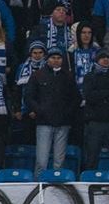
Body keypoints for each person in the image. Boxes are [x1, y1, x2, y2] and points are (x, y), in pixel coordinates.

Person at [26, 46, 79, 176]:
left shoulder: (68, 76)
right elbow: (29, 97)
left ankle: (57, 190)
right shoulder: (38, 75)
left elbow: (76, 98)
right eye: (53, 58)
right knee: (41, 162)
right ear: (47, 59)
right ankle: (38, 191)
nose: (56, 60)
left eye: (59, 58)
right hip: (44, 123)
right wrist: (40, 111)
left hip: (63, 123)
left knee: (59, 163)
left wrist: (67, 113)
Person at [82, 49, 109, 174]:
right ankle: (89, 182)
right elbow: (89, 96)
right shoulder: (90, 77)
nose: (106, 59)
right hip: (95, 122)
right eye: (102, 57)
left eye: (108, 57)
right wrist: (108, 93)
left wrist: (100, 95)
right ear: (97, 60)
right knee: (91, 158)